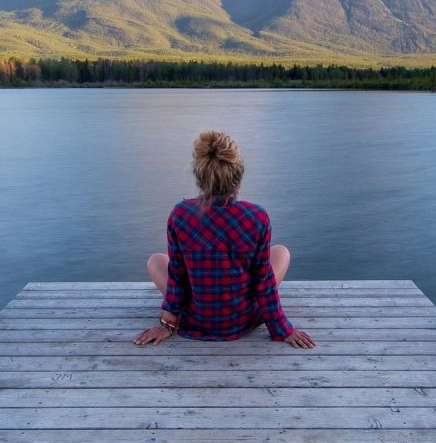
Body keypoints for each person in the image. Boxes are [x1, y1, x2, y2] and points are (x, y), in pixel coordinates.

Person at [135, 131, 316, 349]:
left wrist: (168, 323)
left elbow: (177, 276)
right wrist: (282, 328)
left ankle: (182, 315)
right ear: (238, 174)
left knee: (156, 260)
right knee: (281, 252)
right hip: (241, 320)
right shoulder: (256, 217)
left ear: (199, 176)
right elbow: (263, 280)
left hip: (195, 319)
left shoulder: (180, 214)